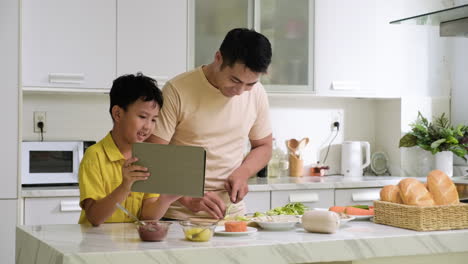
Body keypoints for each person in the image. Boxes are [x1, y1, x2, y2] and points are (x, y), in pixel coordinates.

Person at [147, 28, 273, 220]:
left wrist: (243, 172)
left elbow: (263, 146)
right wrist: (189, 199)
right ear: (218, 58)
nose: (240, 91)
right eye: (235, 80)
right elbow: (153, 156)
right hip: (178, 218)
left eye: (249, 84)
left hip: (232, 216)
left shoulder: (257, 94)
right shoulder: (178, 90)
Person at [78, 73, 180, 226]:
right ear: (117, 114)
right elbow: (95, 217)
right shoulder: (95, 156)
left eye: (153, 120)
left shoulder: (148, 157)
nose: (148, 126)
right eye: (142, 116)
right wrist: (125, 186)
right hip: (96, 245)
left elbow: (147, 215)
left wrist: (167, 199)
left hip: (132, 244)